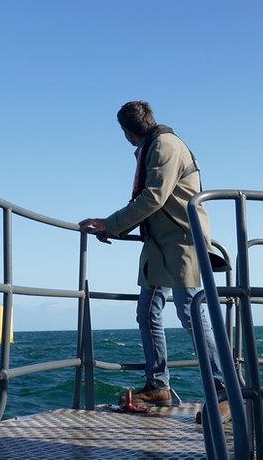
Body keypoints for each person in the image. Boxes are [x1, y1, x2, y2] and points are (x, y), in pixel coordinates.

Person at [79, 100, 229, 423]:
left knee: (190, 311)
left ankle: (225, 390)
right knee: (147, 311)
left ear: (127, 131)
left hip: (181, 241)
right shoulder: (155, 145)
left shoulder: (165, 146)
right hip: (160, 245)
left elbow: (153, 197)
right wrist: (115, 226)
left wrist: (110, 223)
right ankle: (158, 384)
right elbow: (149, 200)